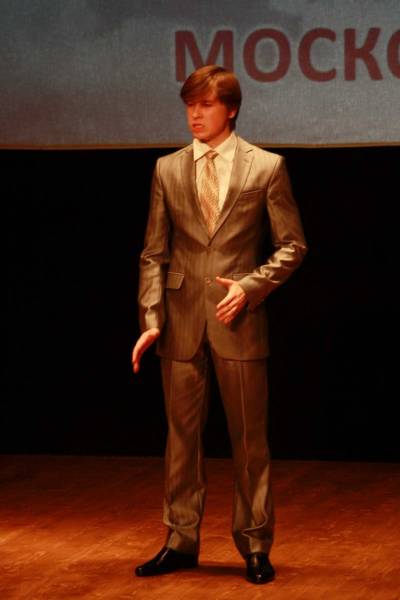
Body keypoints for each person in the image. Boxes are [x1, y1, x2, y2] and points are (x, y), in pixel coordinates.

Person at [132, 65, 307, 584]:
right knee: (181, 442)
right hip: (180, 322)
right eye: (190, 104)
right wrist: (151, 317)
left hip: (238, 320)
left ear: (230, 109)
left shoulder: (266, 167)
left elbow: (292, 245)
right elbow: (153, 253)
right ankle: (180, 540)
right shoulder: (167, 169)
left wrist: (250, 287)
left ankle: (254, 544)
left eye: (206, 104)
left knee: (249, 441)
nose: (195, 114)